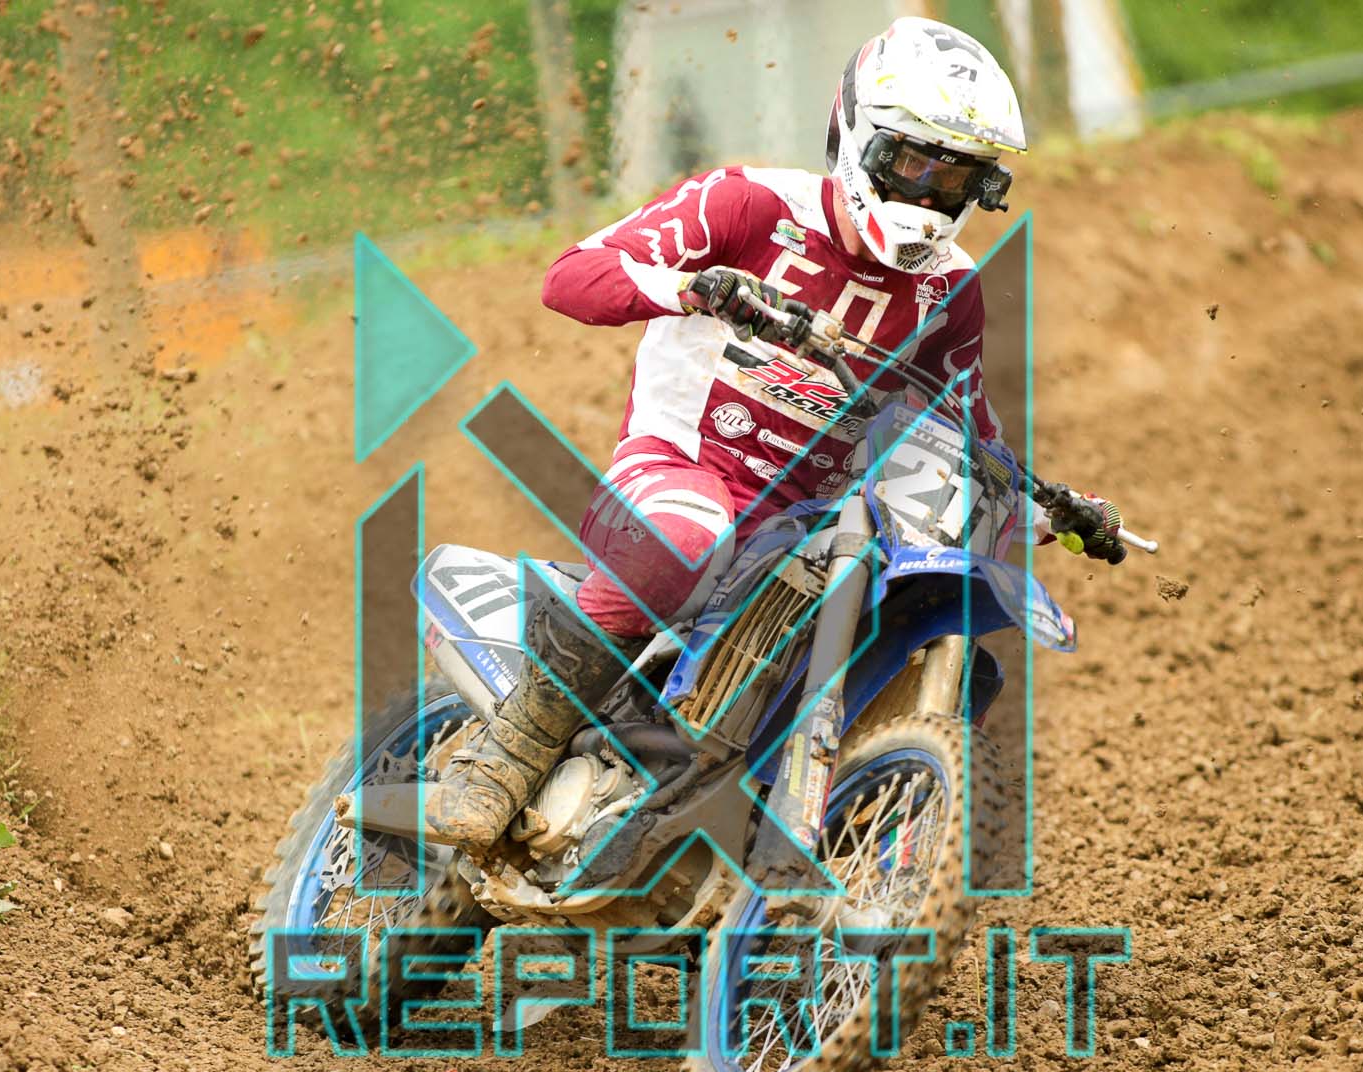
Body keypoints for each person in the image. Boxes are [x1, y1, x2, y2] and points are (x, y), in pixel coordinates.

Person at [425, 17, 1124, 851]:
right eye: (913, 164)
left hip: (807, 528)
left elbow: (965, 429)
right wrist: (697, 288)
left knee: (913, 617)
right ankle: (506, 755)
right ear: (860, 136)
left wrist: (1050, 507)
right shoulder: (750, 204)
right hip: (680, 465)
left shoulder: (948, 292)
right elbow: (571, 276)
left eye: (957, 177)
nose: (929, 194)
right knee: (684, 538)